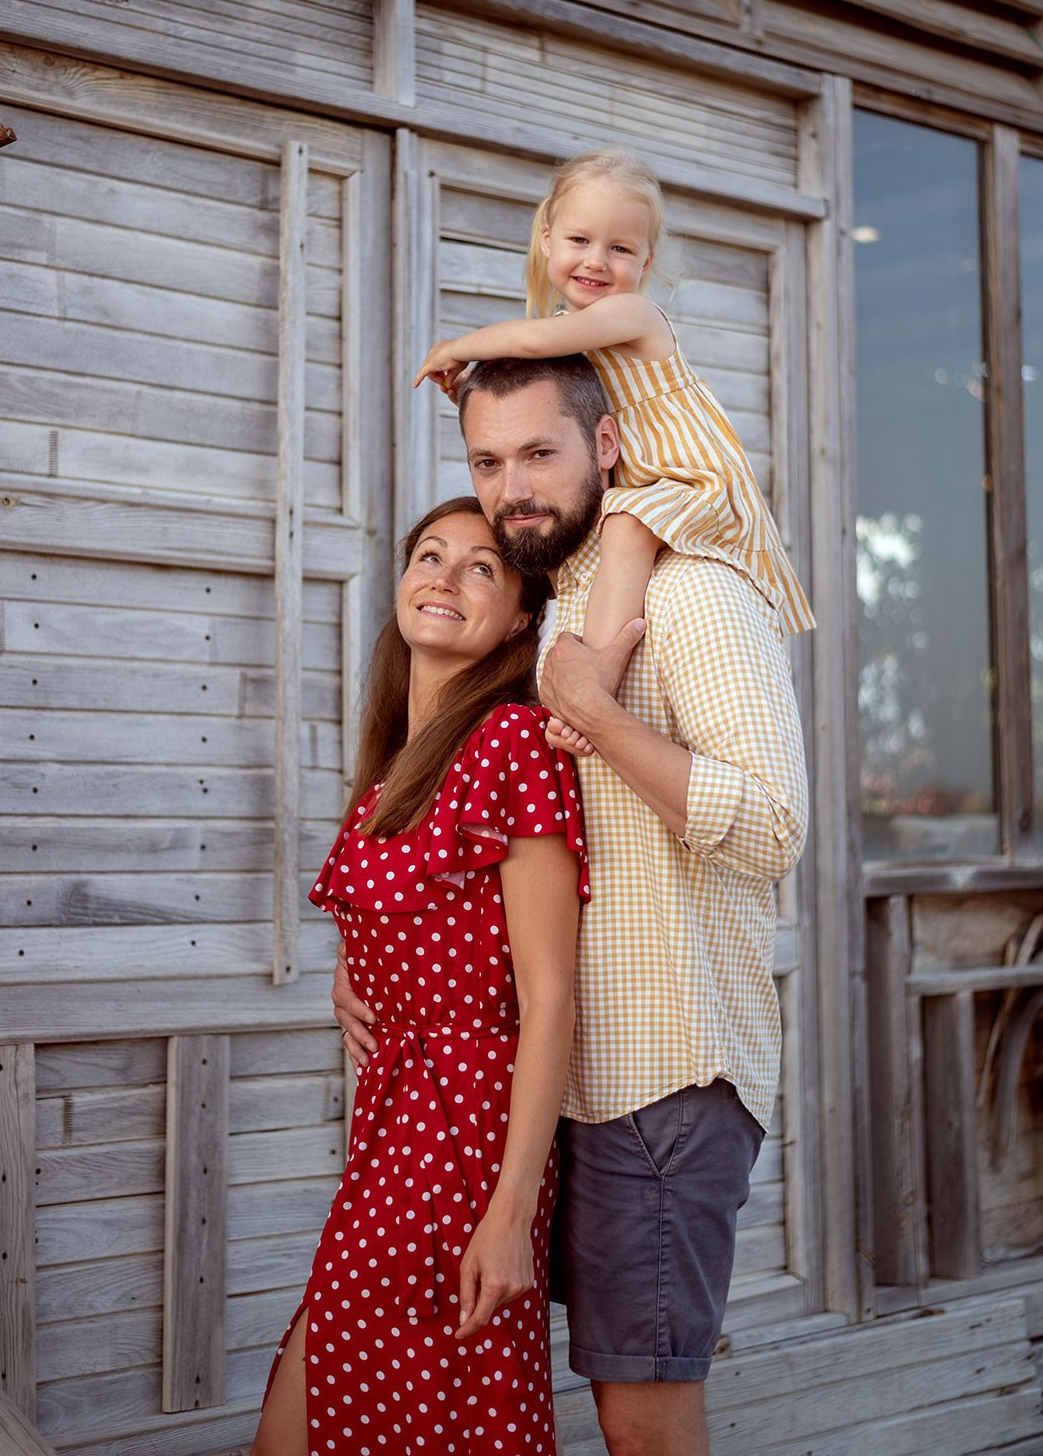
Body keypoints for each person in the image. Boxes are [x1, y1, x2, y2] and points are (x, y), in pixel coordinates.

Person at [338, 358, 809, 1456]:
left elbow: (777, 825)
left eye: (539, 453)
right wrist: (369, 947)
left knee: (639, 1416)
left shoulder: (693, 596)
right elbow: (479, 838)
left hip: (657, 1074)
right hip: (538, 1095)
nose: (513, 489)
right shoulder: (550, 613)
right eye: (488, 461)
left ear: (606, 449)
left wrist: (601, 715)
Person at [252, 497, 587, 1456]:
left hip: (468, 1127)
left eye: (482, 566)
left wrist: (512, 1210)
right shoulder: (395, 764)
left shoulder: (512, 744)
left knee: (429, 1406)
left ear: (523, 616)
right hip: (392, 1120)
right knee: (347, 1395)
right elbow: (402, 924)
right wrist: (353, 979)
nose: (443, 575)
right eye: (429, 556)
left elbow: (549, 995)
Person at [414, 149, 814, 754]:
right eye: (580, 239)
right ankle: (585, 677)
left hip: (687, 476)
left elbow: (532, 336)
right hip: (644, 483)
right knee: (614, 528)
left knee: (626, 525)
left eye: (620, 249)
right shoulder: (574, 334)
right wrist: (466, 395)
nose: (597, 261)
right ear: (547, 241)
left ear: (646, 260)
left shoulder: (632, 313)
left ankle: (594, 677)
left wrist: (458, 346)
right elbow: (543, 422)